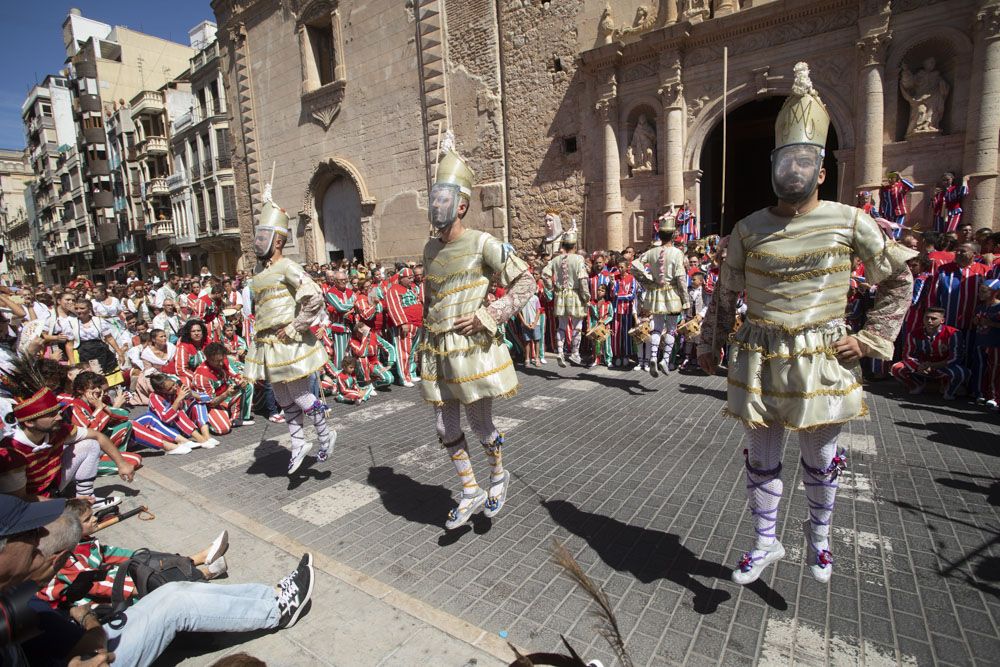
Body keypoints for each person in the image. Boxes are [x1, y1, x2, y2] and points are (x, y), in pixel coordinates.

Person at [698, 62, 915, 585]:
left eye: (805, 160)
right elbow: (725, 294)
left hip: (824, 355)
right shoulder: (747, 228)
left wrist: (870, 338)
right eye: (785, 160)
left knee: (820, 456)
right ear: (775, 165)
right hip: (762, 354)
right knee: (761, 456)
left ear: (821, 169)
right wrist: (711, 344)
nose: (793, 170)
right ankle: (764, 541)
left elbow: (898, 279)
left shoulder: (850, 219)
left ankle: (819, 537)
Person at [20, 501, 314, 667]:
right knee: (178, 604)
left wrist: (88, 623)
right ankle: (278, 611)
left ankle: (272, 596)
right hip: (94, 656)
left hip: (84, 643)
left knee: (173, 591)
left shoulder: (15, 597)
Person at [418, 135, 534, 529]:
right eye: (433, 198)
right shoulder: (429, 251)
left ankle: (498, 477)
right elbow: (430, 299)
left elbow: (525, 282)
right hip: (439, 351)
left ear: (462, 204)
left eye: (443, 199)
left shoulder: (484, 242)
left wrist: (489, 315)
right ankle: (470, 490)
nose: (436, 205)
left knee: (482, 427)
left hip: (472, 350)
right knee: (443, 427)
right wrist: (425, 335)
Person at [245, 177, 336, 473]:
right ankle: (299, 443)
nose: (258, 242)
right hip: (268, 343)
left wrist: (296, 326)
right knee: (284, 398)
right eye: (258, 236)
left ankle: (325, 433)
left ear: (279, 241)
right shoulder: (259, 274)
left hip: (288, 340)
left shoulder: (287, 266)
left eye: (264, 236)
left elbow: (314, 296)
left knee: (300, 394)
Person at [37, 500, 230, 609]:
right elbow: (98, 586)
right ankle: (201, 574)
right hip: (83, 605)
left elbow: (115, 554)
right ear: (73, 527)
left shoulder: (85, 542)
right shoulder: (67, 558)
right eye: (88, 519)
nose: (95, 519)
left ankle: (196, 559)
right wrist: (149, 583)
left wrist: (146, 560)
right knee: (146, 587)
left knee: (142, 562)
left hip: (99, 585)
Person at [2, 381, 135, 510]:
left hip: (53, 486)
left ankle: (87, 497)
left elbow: (97, 435)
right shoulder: (12, 452)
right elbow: (19, 500)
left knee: (90, 443)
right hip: (28, 503)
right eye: (51, 415)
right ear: (30, 423)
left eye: (57, 412)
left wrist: (121, 464)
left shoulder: (58, 430)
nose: (59, 418)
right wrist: (68, 503)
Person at [633, 211, 690, 377]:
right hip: (672, 294)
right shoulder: (678, 253)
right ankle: (664, 359)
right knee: (671, 329)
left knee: (657, 328)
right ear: (673, 234)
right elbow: (680, 278)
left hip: (656, 294)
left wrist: (648, 281)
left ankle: (652, 357)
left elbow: (635, 265)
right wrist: (686, 300)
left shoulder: (651, 252)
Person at [891, 308, 969, 399]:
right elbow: (907, 355)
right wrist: (918, 366)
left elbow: (956, 357)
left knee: (961, 372)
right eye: (926, 318)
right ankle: (916, 386)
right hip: (922, 366)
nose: (929, 321)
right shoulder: (913, 334)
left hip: (943, 367)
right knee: (896, 368)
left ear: (942, 320)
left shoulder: (953, 334)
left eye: (933, 319)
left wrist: (933, 365)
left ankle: (948, 392)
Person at [542, 224, 590, 367]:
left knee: (562, 326)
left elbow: (545, 274)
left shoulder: (556, 259)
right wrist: (586, 296)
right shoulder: (579, 259)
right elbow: (582, 279)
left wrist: (552, 288)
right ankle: (575, 353)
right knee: (577, 325)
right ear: (574, 245)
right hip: (575, 294)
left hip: (561, 295)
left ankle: (560, 352)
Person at [191, 342, 255, 434]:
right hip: (209, 404)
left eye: (222, 359)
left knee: (247, 386)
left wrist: (241, 380)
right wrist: (226, 394)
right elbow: (210, 402)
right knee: (222, 429)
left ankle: (236, 418)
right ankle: (205, 420)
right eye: (217, 361)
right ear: (208, 359)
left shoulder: (223, 361)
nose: (221, 363)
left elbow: (234, 374)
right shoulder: (202, 375)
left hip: (224, 396)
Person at [141, 373, 219, 448]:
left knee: (198, 403)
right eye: (170, 389)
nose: (174, 388)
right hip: (168, 429)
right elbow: (166, 418)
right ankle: (201, 439)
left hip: (184, 425)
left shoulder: (178, 388)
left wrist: (192, 394)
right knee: (178, 411)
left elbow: (208, 398)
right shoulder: (155, 397)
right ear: (161, 391)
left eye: (174, 384)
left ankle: (206, 437)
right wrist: (178, 399)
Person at [383, 267, 422, 386]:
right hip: (406, 325)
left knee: (413, 350)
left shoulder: (414, 288)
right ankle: (404, 377)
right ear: (401, 278)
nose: (411, 280)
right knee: (404, 351)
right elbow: (394, 307)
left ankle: (411, 373)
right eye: (409, 278)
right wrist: (402, 323)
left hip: (417, 324)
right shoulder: (394, 290)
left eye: (412, 277)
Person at [973, 279, 1000, 409]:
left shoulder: (998, 307)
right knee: (980, 367)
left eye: (984, 291)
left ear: (995, 292)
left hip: (994, 343)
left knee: (994, 369)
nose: (980, 294)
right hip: (980, 341)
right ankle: (980, 393)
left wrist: (990, 323)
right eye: (980, 291)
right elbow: (974, 321)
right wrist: (977, 321)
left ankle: (994, 396)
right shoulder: (981, 306)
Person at [322, 269, 355, 371]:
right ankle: (339, 376)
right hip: (339, 326)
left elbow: (353, 302)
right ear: (335, 281)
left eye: (345, 279)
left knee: (349, 352)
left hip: (350, 325)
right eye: (341, 280)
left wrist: (350, 306)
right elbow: (340, 307)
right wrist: (353, 305)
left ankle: (349, 376)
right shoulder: (331, 293)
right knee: (340, 353)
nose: (344, 281)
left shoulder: (350, 291)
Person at [348, 321, 394, 388]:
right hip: (359, 367)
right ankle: (366, 384)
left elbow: (390, 348)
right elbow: (361, 354)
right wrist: (364, 337)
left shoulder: (373, 335)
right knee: (362, 359)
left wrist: (390, 364)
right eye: (366, 332)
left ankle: (373, 382)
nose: (368, 333)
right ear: (358, 334)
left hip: (373, 364)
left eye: (368, 331)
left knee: (389, 379)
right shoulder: (353, 340)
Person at [879, 170, 915, 239]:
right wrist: (882, 212)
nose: (890, 179)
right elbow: (883, 201)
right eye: (889, 177)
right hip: (888, 214)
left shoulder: (901, 186)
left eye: (892, 177)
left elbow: (911, 186)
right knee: (888, 232)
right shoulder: (885, 189)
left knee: (897, 231)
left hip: (899, 212)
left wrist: (901, 178)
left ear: (896, 178)